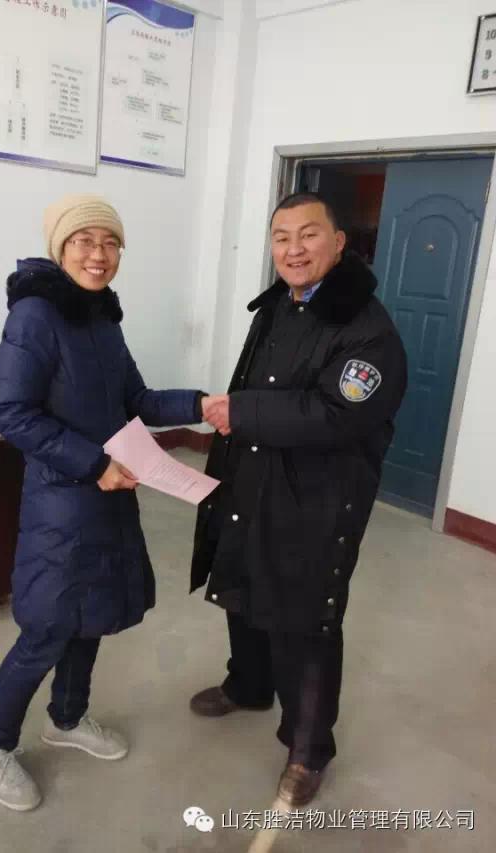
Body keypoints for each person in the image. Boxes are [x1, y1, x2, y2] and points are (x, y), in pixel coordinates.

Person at [0, 194, 207, 811]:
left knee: (91, 616)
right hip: (62, 501)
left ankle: (67, 719)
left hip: (109, 496)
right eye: (84, 241)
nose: (99, 255)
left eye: (110, 243)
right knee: (47, 627)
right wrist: (94, 464)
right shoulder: (35, 316)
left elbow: (138, 401)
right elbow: (12, 412)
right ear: (60, 248)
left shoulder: (101, 317)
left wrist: (202, 406)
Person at [189, 192, 407, 807]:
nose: (293, 249)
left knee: (305, 620)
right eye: (281, 236)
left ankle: (309, 749)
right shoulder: (280, 306)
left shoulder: (368, 330)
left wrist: (241, 413)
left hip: (319, 497)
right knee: (243, 586)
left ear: (338, 243)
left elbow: (338, 415)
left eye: (308, 234)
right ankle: (249, 685)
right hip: (254, 476)